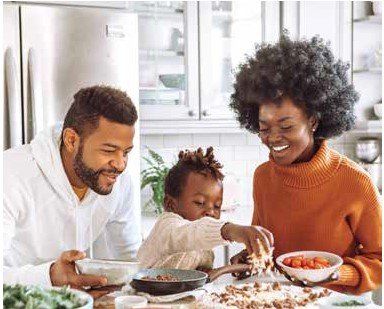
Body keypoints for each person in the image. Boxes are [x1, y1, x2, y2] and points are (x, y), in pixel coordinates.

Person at [229, 34, 382, 295]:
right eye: (264, 128)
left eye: (286, 126)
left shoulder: (356, 183)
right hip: (278, 300)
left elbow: (379, 261)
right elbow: (267, 250)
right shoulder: (263, 177)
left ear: (313, 120)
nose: (273, 138)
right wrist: (248, 258)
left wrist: (333, 273)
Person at [4, 85, 141, 292]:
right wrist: (50, 276)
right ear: (71, 140)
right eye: (109, 150)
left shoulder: (117, 181)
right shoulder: (9, 174)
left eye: (126, 152)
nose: (120, 165)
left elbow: (129, 258)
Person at [138, 147, 273, 272]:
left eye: (217, 206)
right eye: (200, 202)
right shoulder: (167, 227)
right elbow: (190, 233)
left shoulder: (204, 244)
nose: (211, 212)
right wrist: (229, 230)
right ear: (170, 204)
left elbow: (199, 276)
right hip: (140, 297)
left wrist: (238, 266)